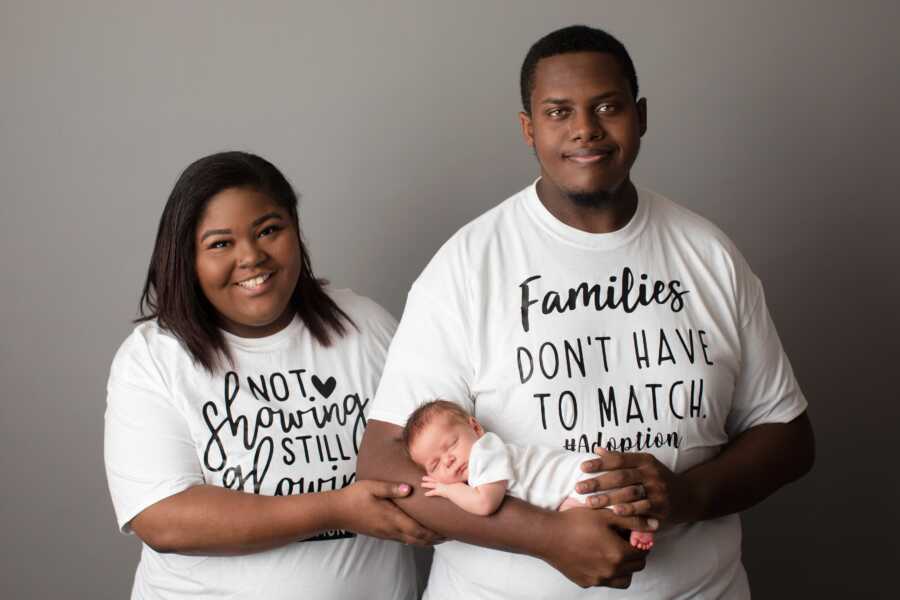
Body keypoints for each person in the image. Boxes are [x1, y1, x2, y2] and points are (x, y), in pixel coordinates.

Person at [357, 24, 814, 598]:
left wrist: (687, 496)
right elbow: (383, 461)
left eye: (607, 106)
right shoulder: (467, 267)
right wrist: (546, 535)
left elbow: (788, 435)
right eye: (557, 112)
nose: (585, 129)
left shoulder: (708, 253)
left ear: (641, 116)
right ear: (528, 128)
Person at [104, 151, 437, 600]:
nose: (252, 257)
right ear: (187, 258)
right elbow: (163, 518)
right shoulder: (153, 359)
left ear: (295, 231)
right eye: (221, 243)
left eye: (269, 230)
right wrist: (335, 509)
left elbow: (439, 445)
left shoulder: (367, 327)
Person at [405, 400, 654, 550]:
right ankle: (633, 522)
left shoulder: (485, 451)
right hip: (563, 493)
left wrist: (449, 490)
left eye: (451, 444)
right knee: (585, 518)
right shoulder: (477, 463)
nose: (448, 460)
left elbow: (485, 504)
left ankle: (641, 520)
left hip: (573, 477)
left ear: (475, 428)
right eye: (435, 465)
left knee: (604, 501)